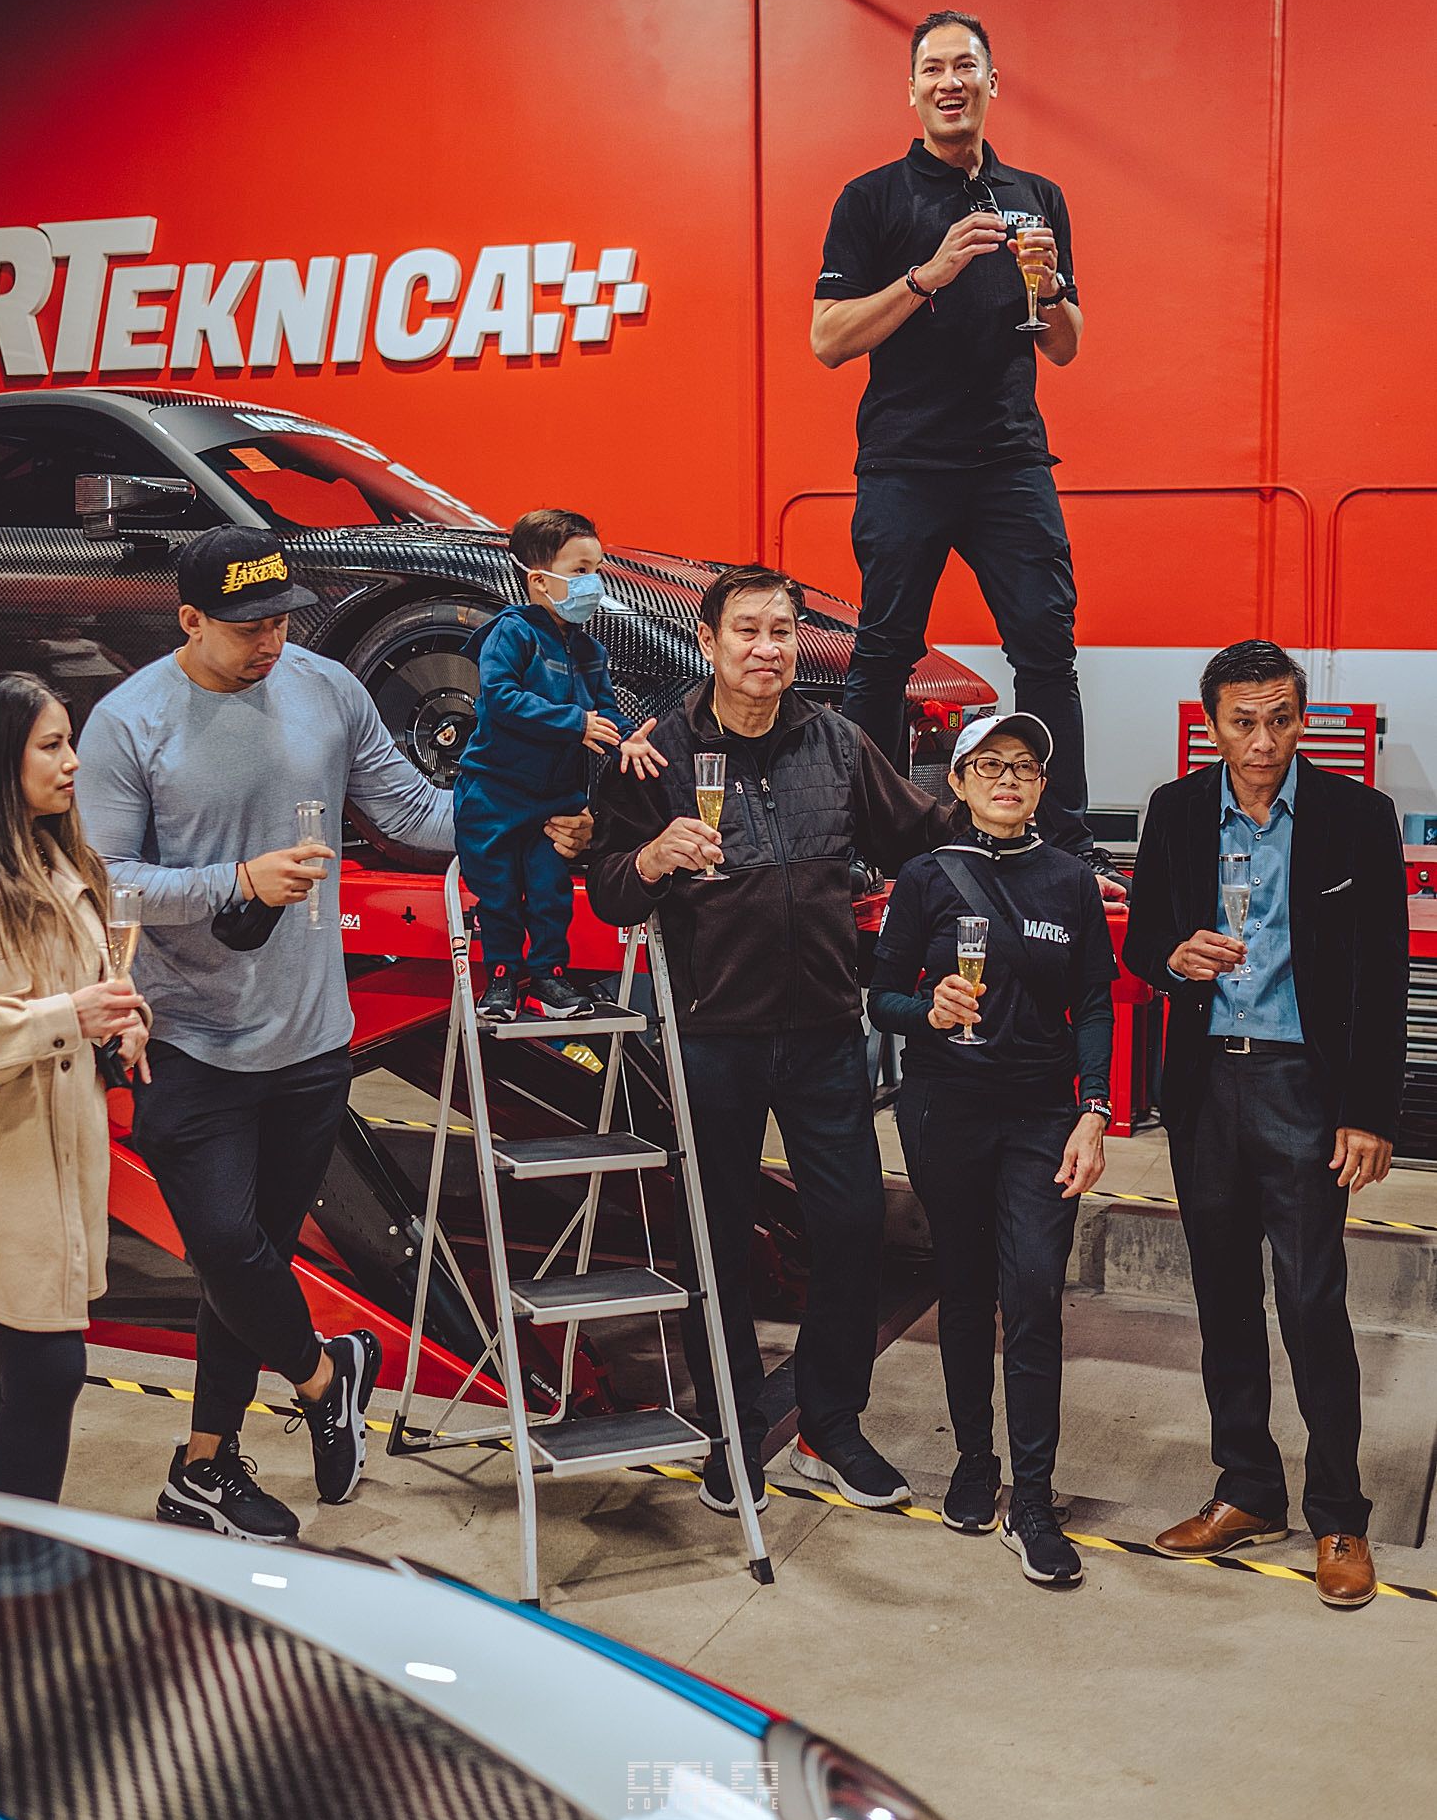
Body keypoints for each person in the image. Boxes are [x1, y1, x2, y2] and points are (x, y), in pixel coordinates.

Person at [76, 524, 467, 1542]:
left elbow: (413, 811)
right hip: (187, 1038)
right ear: (189, 619)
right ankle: (327, 1375)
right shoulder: (129, 723)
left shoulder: (325, 690)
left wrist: (525, 814)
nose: (270, 641)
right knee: (225, 1247)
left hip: (308, 1042)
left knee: (249, 1264)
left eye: (281, 619)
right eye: (247, 625)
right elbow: (106, 883)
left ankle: (203, 1466)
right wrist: (235, 882)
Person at [588, 564, 963, 1517]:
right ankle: (729, 1431)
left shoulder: (835, 742)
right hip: (712, 1034)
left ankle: (829, 1427)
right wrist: (650, 856)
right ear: (707, 642)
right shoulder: (656, 754)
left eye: (782, 631)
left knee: (850, 1227)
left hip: (825, 1030)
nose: (767, 649)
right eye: (747, 631)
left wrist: (1006, 816)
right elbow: (609, 890)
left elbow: (919, 832)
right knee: (714, 1240)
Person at [1122, 640, 1409, 1610]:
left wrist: (1368, 1112)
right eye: (1242, 721)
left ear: (1300, 718)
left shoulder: (1354, 816)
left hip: (1301, 1088)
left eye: (1279, 719)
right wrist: (1175, 958)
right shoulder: (1174, 810)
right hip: (1206, 1084)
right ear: (1212, 723)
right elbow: (1142, 943)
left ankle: (1338, 1513)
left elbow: (1384, 971)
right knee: (1222, 1300)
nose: (1262, 741)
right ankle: (1246, 1488)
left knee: (1312, 1304)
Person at [810, 8, 1122, 895]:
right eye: (933, 69)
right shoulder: (870, 199)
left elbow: (1064, 346)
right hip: (905, 462)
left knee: (1046, 655)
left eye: (965, 67)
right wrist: (927, 275)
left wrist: (1051, 290)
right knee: (883, 655)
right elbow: (828, 340)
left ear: (991, 83)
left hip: (1011, 463)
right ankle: (864, 843)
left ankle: (1066, 843)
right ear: (911, 91)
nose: (949, 82)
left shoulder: (1037, 194)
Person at [867, 712, 1115, 1587]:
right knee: (965, 1287)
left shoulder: (1070, 882)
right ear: (958, 781)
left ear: (1041, 786)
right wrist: (928, 1009)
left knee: (1035, 1293)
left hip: (1042, 1115)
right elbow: (881, 998)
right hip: (946, 1108)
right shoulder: (925, 877)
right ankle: (974, 1461)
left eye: (1023, 767)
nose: (1007, 779)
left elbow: (1094, 1003)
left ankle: (1034, 1501)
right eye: (988, 765)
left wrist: (1093, 1111)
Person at [0, 672, 150, 1502]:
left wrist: (123, 1022)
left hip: (62, 1182)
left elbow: (97, 987)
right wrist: (64, 1016)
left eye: (70, 741)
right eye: (52, 745)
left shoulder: (70, 865)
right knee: (48, 1375)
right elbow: (50, 1011)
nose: (73, 762)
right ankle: (24, 1566)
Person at [455, 509, 662, 1021]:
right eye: (580, 571)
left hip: (555, 801)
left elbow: (604, 711)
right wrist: (575, 723)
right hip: (494, 796)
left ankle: (549, 977)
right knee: (499, 894)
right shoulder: (511, 633)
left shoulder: (590, 650)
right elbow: (501, 698)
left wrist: (626, 741)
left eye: (597, 569)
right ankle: (501, 979)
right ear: (540, 580)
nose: (593, 583)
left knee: (551, 894)